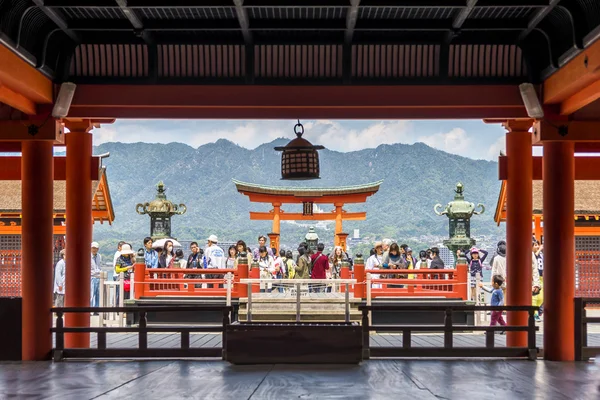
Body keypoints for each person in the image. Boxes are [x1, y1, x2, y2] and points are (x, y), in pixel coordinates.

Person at [532, 240, 543, 321]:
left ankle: (537, 310)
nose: (537, 246)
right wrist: (539, 250)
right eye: (535, 245)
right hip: (535, 277)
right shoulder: (532, 254)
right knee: (534, 297)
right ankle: (535, 313)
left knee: (542, 297)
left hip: (541, 277)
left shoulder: (541, 255)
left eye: (538, 245)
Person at [90, 242, 102, 310]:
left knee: (98, 294)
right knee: (91, 294)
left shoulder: (99, 256)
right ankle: (90, 309)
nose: (94, 250)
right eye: (93, 248)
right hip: (91, 277)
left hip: (99, 277)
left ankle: (97, 309)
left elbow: (99, 266)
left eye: (96, 248)